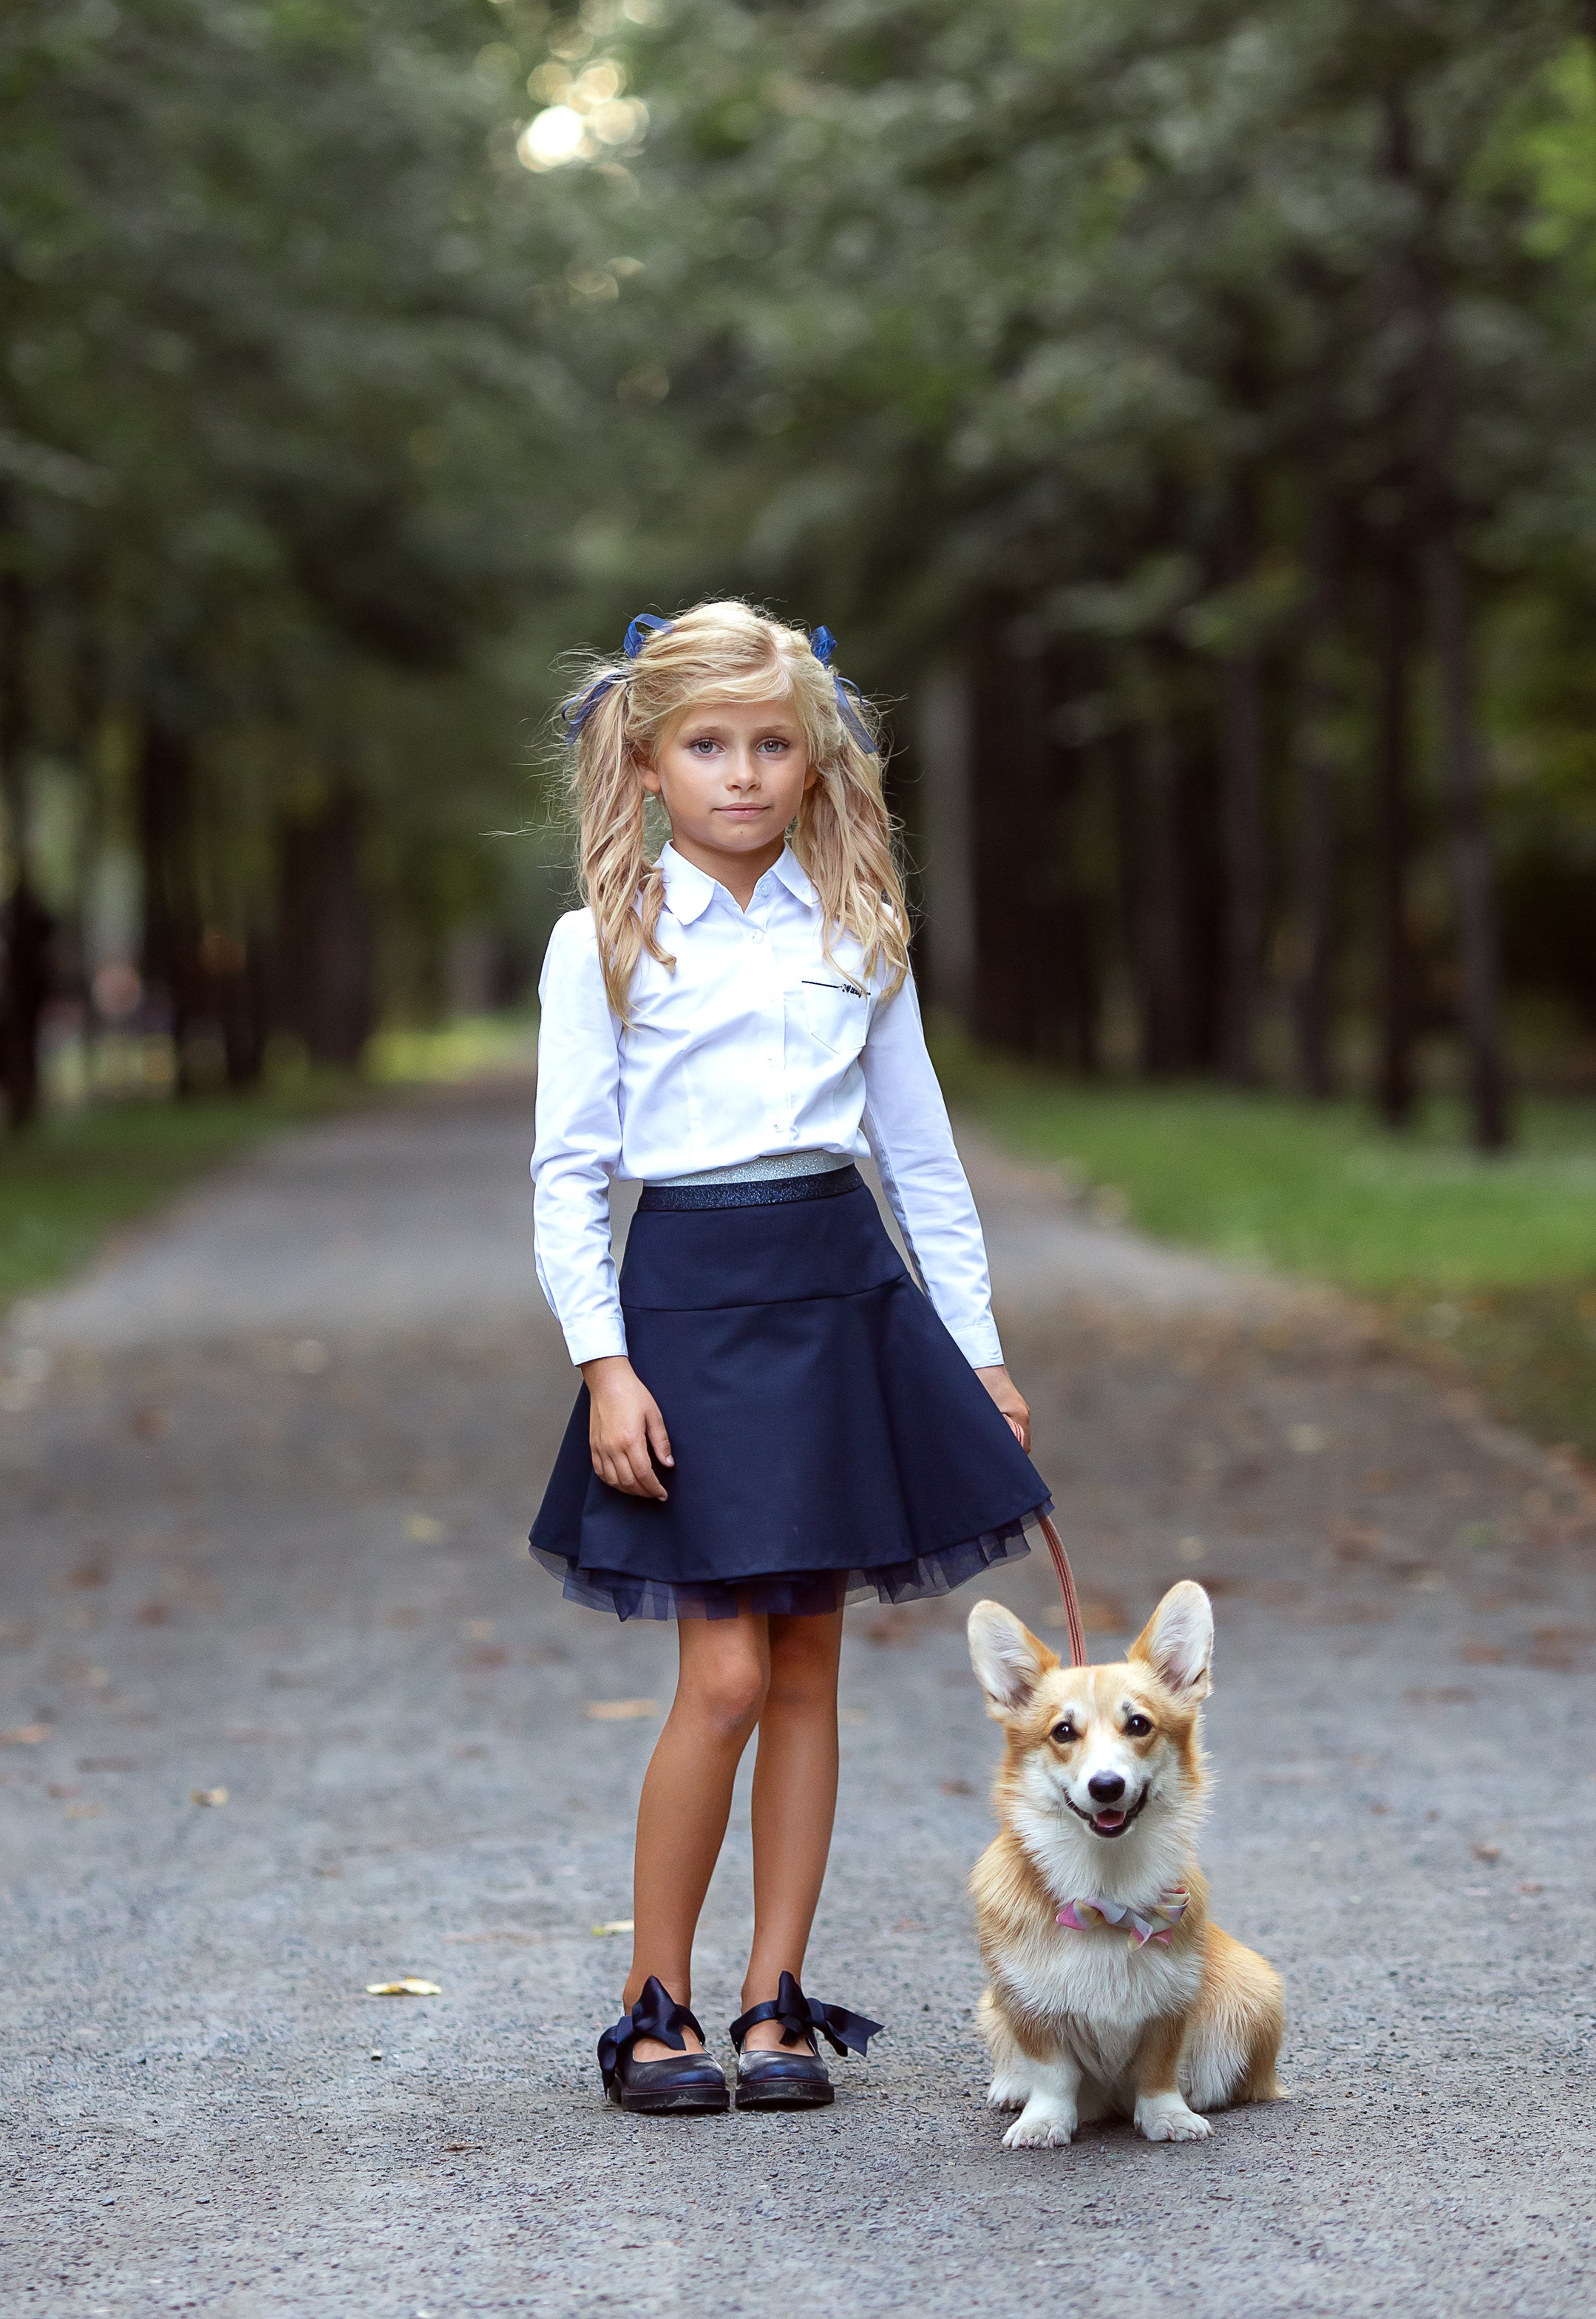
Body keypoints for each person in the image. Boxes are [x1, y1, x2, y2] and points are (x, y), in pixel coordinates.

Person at [529, 600, 1050, 2115]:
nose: (742, 774)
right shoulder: (603, 940)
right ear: (647, 764)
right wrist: (602, 1364)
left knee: (809, 1663)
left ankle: (774, 2005)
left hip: (840, 1301)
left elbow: (921, 1164)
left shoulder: (856, 931)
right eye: (708, 746)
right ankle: (653, 2005)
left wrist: (979, 1356)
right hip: (687, 1309)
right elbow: (568, 1176)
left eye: (771, 745)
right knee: (725, 1674)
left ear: (814, 763)